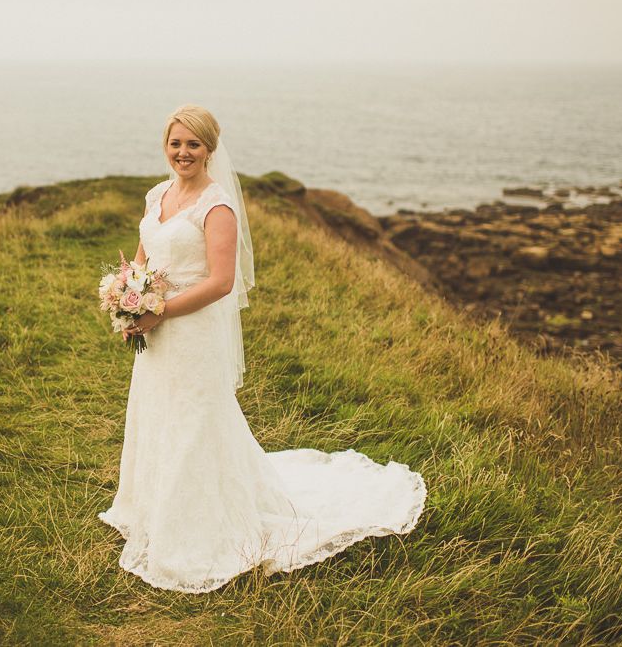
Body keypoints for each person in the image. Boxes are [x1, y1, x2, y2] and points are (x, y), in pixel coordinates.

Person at [97, 104, 427, 593]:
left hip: (192, 332)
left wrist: (159, 311)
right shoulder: (157, 194)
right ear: (165, 147)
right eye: (175, 143)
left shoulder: (217, 206)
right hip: (156, 329)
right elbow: (144, 256)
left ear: (209, 149)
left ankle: (199, 530)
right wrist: (129, 301)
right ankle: (154, 508)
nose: (183, 152)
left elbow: (221, 282)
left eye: (193, 144)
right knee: (158, 413)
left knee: (194, 420)